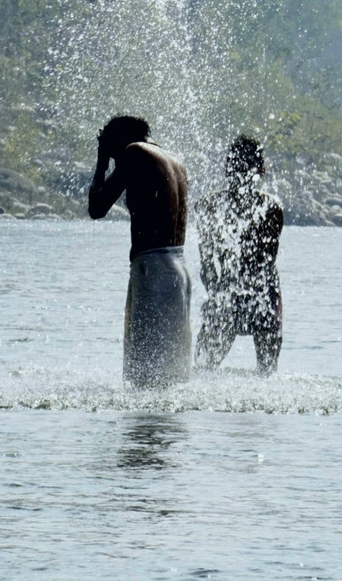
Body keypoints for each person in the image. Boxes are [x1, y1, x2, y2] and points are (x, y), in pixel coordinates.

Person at [88, 116, 192, 386]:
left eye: (109, 147)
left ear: (118, 139)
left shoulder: (135, 152)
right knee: (171, 376)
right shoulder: (175, 161)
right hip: (178, 269)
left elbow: (96, 209)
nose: (112, 156)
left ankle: (144, 430)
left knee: (142, 379)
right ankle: (163, 429)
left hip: (152, 269)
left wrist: (101, 162)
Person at [195, 135, 284, 374]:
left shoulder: (208, 206)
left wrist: (217, 295)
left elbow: (207, 265)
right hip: (264, 295)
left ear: (227, 167)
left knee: (203, 369)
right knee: (267, 374)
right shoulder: (272, 208)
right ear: (262, 170)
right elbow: (266, 261)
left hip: (230, 293)